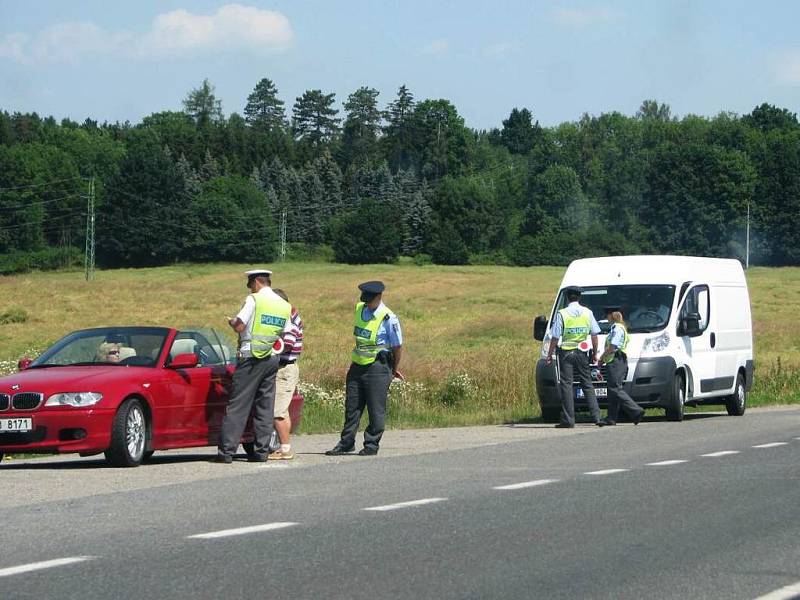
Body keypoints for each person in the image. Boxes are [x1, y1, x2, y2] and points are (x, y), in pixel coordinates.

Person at [216, 269, 292, 464]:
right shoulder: (284, 304)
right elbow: (285, 331)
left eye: (250, 283)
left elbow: (240, 325)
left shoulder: (254, 300)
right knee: (265, 407)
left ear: (257, 282)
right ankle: (261, 452)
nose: (249, 287)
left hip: (250, 357)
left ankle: (226, 452)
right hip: (272, 357)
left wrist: (232, 322)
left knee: (238, 405)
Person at [326, 281, 403, 457]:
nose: (367, 303)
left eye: (370, 300)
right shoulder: (360, 308)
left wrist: (393, 370)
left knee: (376, 409)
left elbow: (398, 346)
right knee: (352, 407)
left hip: (378, 367)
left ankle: (371, 444)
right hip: (357, 365)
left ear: (379, 297)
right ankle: (346, 443)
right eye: (365, 299)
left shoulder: (388, 318)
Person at [545, 287, 602, 428]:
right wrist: (595, 353)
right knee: (587, 384)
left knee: (566, 385)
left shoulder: (562, 313)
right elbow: (594, 334)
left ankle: (569, 420)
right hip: (582, 352)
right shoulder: (587, 312)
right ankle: (597, 417)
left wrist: (549, 354)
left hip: (566, 353)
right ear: (579, 298)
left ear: (567, 298)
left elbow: (555, 336)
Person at [268, 288, 304, 461]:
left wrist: (266, 344)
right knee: (281, 410)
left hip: (284, 368)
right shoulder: (291, 315)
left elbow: (287, 343)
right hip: (283, 367)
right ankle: (281, 446)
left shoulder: (287, 318)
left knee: (278, 411)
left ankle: (285, 449)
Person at [598, 307, 645, 426]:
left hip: (616, 361)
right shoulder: (619, 327)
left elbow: (613, 346)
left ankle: (635, 410)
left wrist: (602, 358)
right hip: (617, 360)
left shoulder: (617, 328)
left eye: (607, 315)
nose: (606, 318)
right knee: (613, 389)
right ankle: (611, 417)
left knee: (615, 389)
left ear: (611, 315)